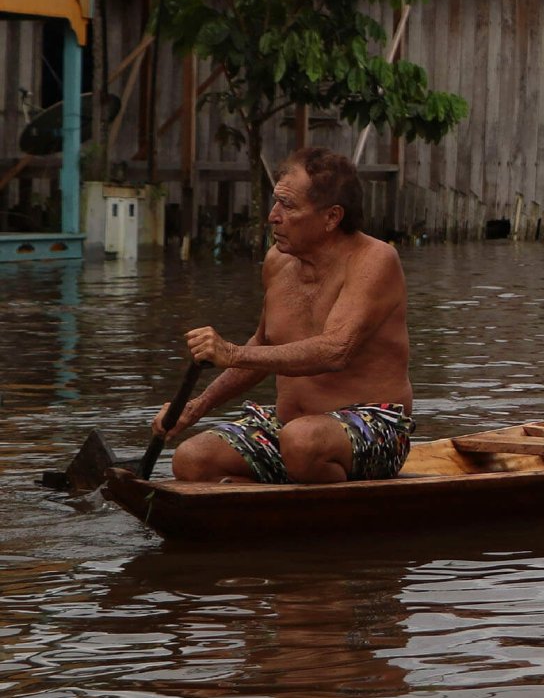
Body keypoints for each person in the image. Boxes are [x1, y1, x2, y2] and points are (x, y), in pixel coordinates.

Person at [154, 147, 415, 484]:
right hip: (289, 427)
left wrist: (230, 352)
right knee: (191, 461)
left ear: (332, 217)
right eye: (276, 202)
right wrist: (196, 406)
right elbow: (264, 342)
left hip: (376, 429)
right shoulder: (277, 262)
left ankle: (327, 514)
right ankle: (269, 503)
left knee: (303, 443)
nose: (273, 216)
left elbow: (336, 350)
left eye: (288, 206)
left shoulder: (375, 260)